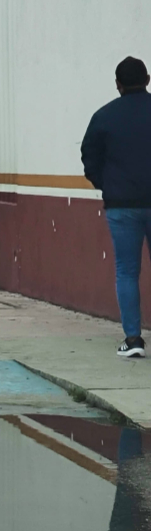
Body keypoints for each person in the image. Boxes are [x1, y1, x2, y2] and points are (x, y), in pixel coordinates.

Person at [81, 56, 151, 357]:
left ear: (118, 84)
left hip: (121, 205)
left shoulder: (103, 116)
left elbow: (89, 158)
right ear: (148, 80)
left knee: (127, 271)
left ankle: (133, 340)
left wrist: (106, 185)